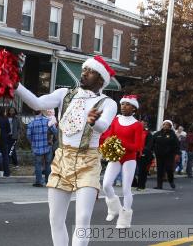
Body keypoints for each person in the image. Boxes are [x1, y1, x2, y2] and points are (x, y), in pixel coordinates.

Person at [15, 55, 117, 246]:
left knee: (83, 218)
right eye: (84, 70)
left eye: (90, 71)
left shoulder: (108, 103)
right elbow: (37, 103)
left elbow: (103, 125)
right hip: (62, 159)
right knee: (55, 219)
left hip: (88, 161)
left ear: (101, 79)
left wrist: (94, 122)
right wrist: (16, 86)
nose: (84, 73)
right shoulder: (64, 94)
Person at [100, 95, 143, 228]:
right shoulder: (116, 120)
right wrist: (103, 141)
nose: (123, 106)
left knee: (126, 189)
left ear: (134, 108)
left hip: (129, 159)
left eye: (127, 104)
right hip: (116, 156)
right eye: (122, 104)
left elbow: (137, 147)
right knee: (106, 185)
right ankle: (114, 208)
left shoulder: (137, 125)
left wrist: (120, 142)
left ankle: (124, 219)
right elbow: (109, 135)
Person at [27, 110, 55, 187]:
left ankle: (39, 182)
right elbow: (55, 131)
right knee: (48, 164)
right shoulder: (48, 121)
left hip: (36, 147)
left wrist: (33, 143)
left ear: (33, 113)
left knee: (38, 164)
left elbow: (28, 136)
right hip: (47, 146)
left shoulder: (31, 123)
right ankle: (48, 181)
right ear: (41, 112)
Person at [152, 120, 179, 190]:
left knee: (169, 169)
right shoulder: (157, 134)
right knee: (160, 170)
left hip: (169, 155)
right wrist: (151, 150)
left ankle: (171, 181)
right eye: (164, 124)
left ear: (170, 126)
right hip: (159, 155)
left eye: (167, 125)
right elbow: (152, 143)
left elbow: (176, 145)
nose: (165, 126)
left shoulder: (172, 135)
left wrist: (177, 153)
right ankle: (159, 185)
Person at [137, 119, 153, 190]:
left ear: (145, 125)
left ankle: (141, 185)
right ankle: (134, 184)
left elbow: (149, 145)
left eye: (143, 124)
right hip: (136, 153)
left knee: (142, 171)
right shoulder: (136, 132)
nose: (141, 125)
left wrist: (144, 152)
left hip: (144, 155)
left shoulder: (148, 134)